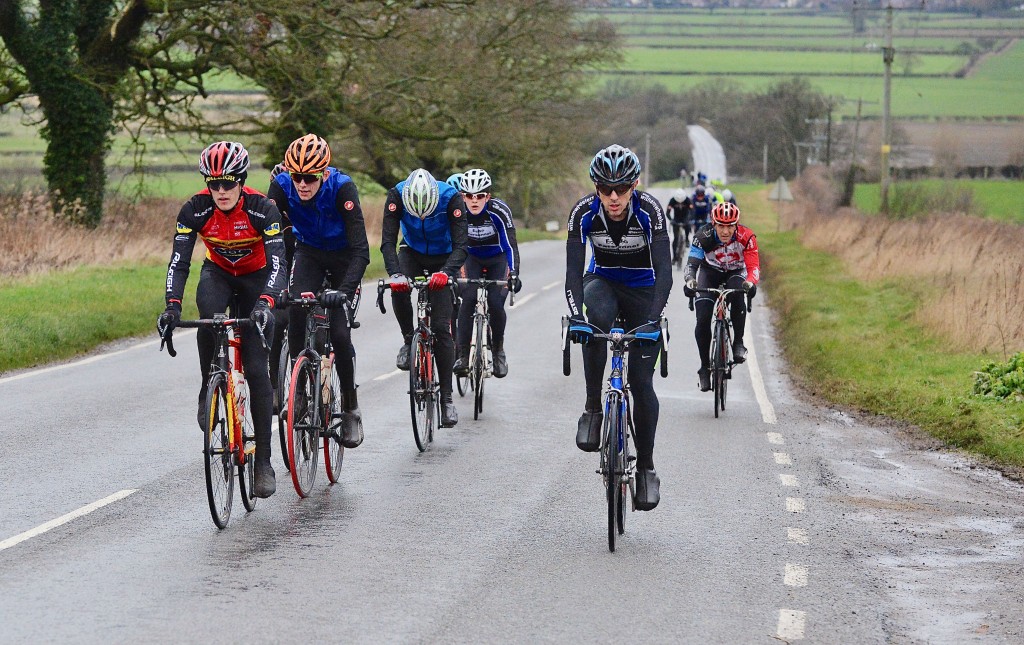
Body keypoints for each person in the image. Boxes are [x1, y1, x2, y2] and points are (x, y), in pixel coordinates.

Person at [157, 141, 286, 498]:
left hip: (257, 278)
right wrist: (171, 306)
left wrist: (265, 302)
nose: (221, 191)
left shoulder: (263, 210)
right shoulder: (194, 210)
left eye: (228, 183)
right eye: (214, 184)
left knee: (258, 369)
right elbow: (179, 262)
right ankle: (207, 387)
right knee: (209, 319)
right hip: (218, 272)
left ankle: (263, 461)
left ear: (241, 181)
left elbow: (279, 262)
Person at [564, 144, 672, 511]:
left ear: (634, 185)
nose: (613, 197)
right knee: (592, 321)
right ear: (595, 187)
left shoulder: (651, 211)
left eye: (621, 189)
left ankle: (646, 468)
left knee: (642, 382)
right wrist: (575, 317)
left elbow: (666, 276)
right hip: (603, 282)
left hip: (644, 289)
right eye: (605, 189)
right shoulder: (583, 213)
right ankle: (594, 406)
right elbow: (572, 275)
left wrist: (654, 320)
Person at [267, 133, 370, 449]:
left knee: (339, 334)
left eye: (309, 178)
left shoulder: (342, 189)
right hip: (308, 252)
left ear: (323, 173)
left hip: (343, 257)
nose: (302, 184)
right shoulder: (282, 187)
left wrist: (345, 291)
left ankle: (351, 408)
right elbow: (267, 237)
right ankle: (298, 392)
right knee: (296, 309)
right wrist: (274, 286)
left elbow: (362, 251)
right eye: (296, 176)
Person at [381, 168, 468, 428]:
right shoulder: (396, 195)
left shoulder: (452, 199)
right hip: (412, 251)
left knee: (441, 328)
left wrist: (446, 273)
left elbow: (462, 245)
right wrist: (395, 273)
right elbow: (387, 241)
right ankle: (409, 340)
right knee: (399, 288)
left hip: (444, 256)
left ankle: (447, 400)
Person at [451, 168, 521, 379]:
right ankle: (463, 355)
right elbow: (451, 244)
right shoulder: (457, 211)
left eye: (480, 196)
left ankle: (498, 350)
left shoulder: (499, 211)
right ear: (462, 196)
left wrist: (514, 273)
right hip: (470, 257)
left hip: (497, 259)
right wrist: (451, 272)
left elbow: (510, 246)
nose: (474, 201)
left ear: (488, 196)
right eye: (469, 196)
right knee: (468, 298)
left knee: (495, 302)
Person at [683, 202, 760, 393]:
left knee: (738, 294)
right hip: (710, 272)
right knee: (702, 318)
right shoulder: (703, 236)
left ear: (736, 225)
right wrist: (690, 281)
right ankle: (704, 367)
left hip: (735, 272)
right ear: (713, 223)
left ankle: (738, 342)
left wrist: (750, 283)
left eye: (730, 226)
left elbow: (753, 268)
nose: (725, 231)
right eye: (721, 226)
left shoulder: (747, 237)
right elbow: (692, 264)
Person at [665, 188, 692, 261]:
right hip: (676, 219)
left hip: (685, 218)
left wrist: (689, 219)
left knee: (688, 226)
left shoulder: (687, 200)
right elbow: (667, 212)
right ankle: (674, 257)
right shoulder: (672, 200)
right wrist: (671, 220)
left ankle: (686, 239)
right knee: (675, 239)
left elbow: (692, 211)